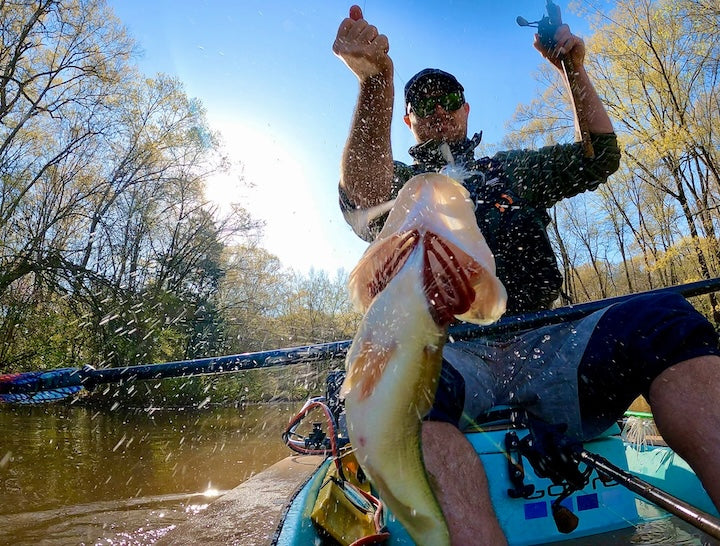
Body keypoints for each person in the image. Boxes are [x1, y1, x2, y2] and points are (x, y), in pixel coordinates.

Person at [333, 5, 720, 544]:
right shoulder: (400, 184)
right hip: (450, 350)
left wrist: (573, 68)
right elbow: (361, 195)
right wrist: (377, 83)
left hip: (550, 337)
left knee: (666, 321)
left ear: (466, 109)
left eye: (449, 101)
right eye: (423, 103)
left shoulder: (513, 170)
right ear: (409, 120)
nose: (438, 111)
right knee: (406, 402)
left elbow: (600, 156)